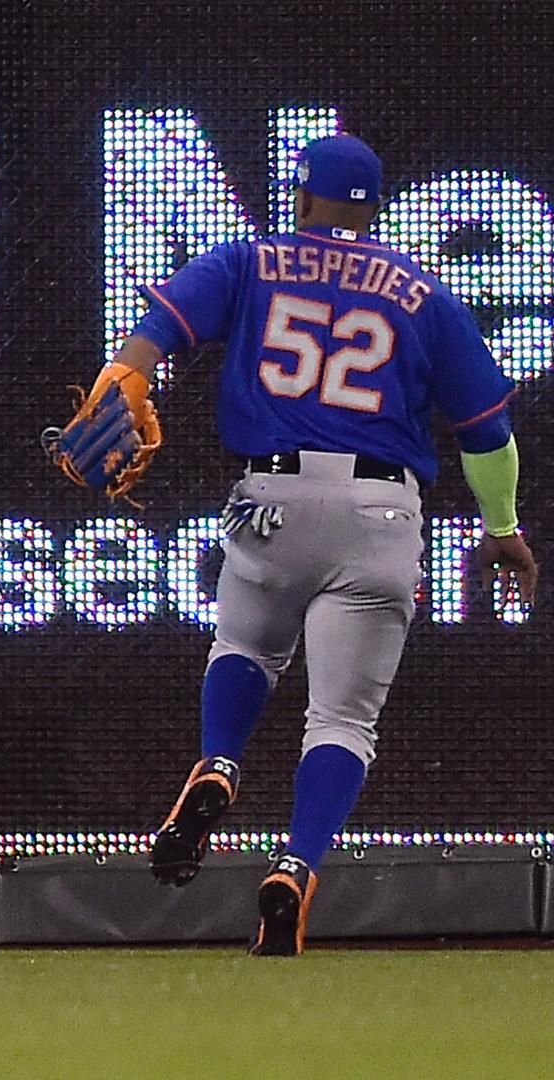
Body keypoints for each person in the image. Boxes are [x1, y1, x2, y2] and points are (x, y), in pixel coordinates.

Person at [71, 135, 536, 955]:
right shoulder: (427, 293)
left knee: (245, 643)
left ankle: (218, 763)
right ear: (376, 207)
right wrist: (502, 528)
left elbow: (155, 334)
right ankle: (296, 864)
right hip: (380, 511)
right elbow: (487, 434)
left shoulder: (250, 260)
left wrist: (128, 379)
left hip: (273, 496)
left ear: (300, 198)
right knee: (343, 720)